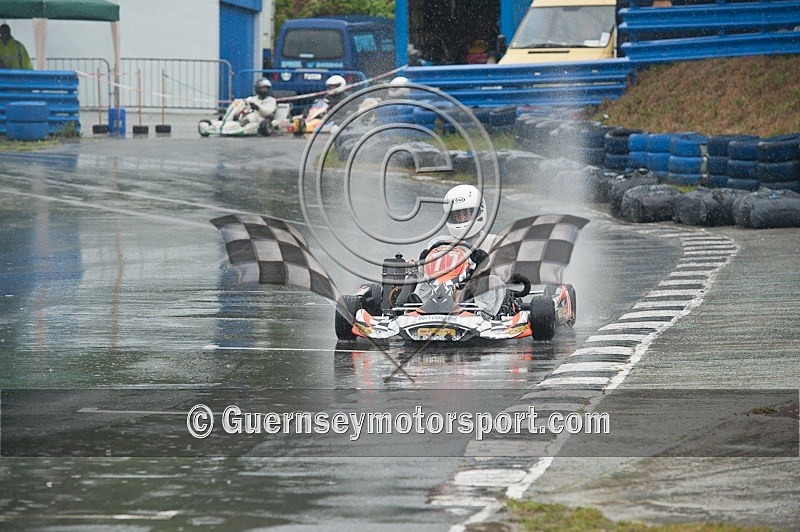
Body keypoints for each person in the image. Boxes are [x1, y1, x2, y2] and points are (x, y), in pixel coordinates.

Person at [414, 184, 507, 318]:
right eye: (457, 215)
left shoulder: (495, 241)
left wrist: (484, 264)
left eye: (466, 213)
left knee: (490, 280)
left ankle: (481, 315)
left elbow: (504, 273)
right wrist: (423, 263)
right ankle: (417, 311)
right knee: (424, 279)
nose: (462, 218)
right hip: (442, 291)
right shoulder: (438, 242)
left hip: (473, 296)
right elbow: (422, 275)